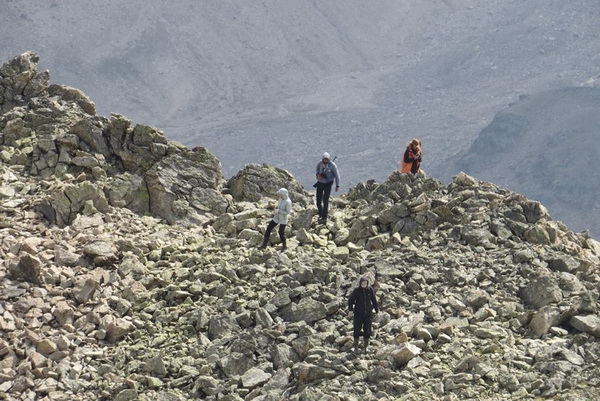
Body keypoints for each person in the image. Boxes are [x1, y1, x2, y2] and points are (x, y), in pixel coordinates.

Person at [348, 277, 379, 352]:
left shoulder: (370, 290)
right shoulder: (356, 291)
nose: (364, 284)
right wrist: (350, 310)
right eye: (362, 283)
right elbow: (350, 300)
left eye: (365, 283)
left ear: (367, 283)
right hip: (358, 314)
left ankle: (366, 348)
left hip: (368, 314)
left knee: (367, 330)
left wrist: (376, 309)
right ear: (360, 283)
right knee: (357, 330)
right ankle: (356, 348)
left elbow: (374, 300)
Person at [315, 152, 340, 224]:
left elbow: (337, 175)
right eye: (324, 159)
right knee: (318, 200)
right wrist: (317, 175)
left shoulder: (333, 166)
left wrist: (337, 185)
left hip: (328, 184)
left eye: (327, 159)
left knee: (325, 200)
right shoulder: (320, 163)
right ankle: (320, 213)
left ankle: (324, 216)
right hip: (320, 183)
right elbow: (317, 169)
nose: (325, 160)